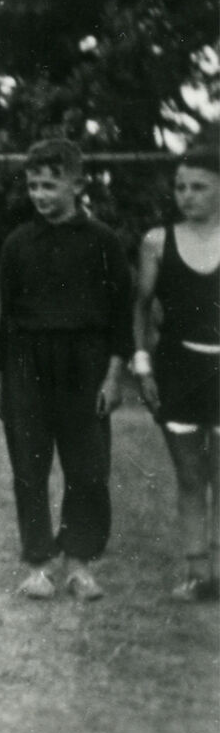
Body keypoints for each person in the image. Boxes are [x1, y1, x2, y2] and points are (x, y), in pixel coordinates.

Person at [0, 139, 130, 601]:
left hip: (85, 363)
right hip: (27, 362)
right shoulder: (17, 243)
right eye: (33, 185)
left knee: (88, 469)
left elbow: (121, 314)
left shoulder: (103, 241)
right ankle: (38, 565)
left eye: (49, 185)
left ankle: (78, 562)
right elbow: (6, 316)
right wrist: (6, 382)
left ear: (77, 184)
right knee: (29, 468)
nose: (39, 194)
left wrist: (113, 375)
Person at [132, 143, 220, 602]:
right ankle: (198, 573)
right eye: (181, 187)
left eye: (199, 187)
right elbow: (141, 307)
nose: (187, 195)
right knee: (190, 476)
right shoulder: (158, 241)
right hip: (178, 370)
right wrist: (143, 364)